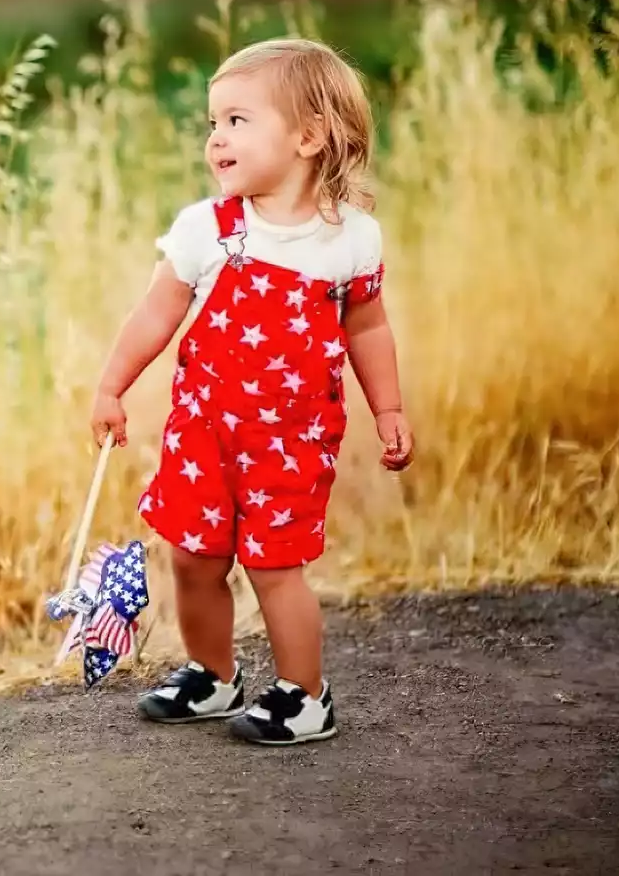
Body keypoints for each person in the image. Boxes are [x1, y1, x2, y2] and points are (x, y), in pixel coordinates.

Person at [90, 37, 413, 746]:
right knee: (192, 557)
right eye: (213, 123)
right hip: (204, 433)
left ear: (308, 136)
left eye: (237, 120)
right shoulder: (208, 230)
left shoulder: (351, 240)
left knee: (275, 568)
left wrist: (388, 408)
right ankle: (212, 674)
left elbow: (367, 328)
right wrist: (112, 386)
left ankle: (304, 695)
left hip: (290, 443)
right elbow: (155, 314)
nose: (216, 138)